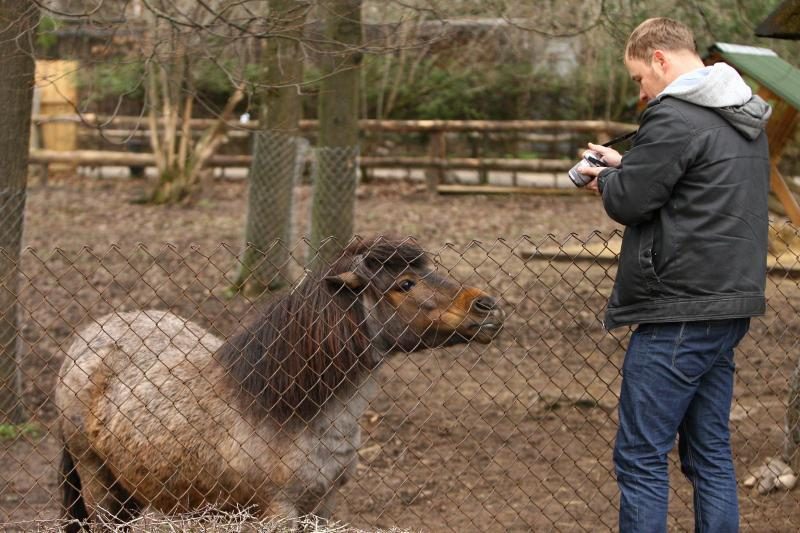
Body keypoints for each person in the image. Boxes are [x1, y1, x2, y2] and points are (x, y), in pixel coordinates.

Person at [577, 17, 772, 533]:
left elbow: (630, 202)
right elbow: (698, 187)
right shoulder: (741, 113)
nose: (641, 91)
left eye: (640, 78)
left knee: (640, 457)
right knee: (709, 455)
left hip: (678, 308)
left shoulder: (675, 116)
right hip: (728, 301)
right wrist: (629, 163)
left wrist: (608, 178)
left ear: (660, 60)